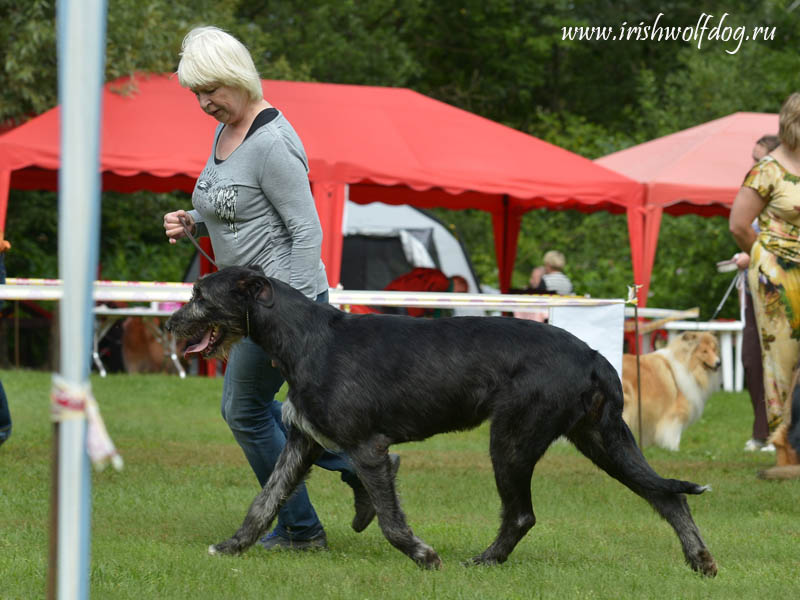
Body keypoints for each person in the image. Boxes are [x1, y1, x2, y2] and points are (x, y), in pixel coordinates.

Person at [163, 26, 387, 551]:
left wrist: (280, 313)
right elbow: (236, 203)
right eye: (196, 93)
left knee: (244, 411)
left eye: (211, 89)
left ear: (238, 76)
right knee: (279, 412)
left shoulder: (274, 142)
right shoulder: (227, 131)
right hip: (253, 308)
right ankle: (358, 465)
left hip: (285, 310)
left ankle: (302, 530)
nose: (203, 103)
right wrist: (193, 217)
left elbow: (306, 231)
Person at [729, 93, 800, 459]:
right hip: (778, 279)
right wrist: (768, 259)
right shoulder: (768, 169)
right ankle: (785, 445)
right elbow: (740, 224)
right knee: (782, 362)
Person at [733, 133, 780, 452]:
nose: (754, 165)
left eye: (759, 158)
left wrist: (757, 255)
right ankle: (762, 431)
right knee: (751, 359)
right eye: (752, 158)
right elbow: (739, 227)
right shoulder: (755, 190)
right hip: (755, 288)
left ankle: (783, 435)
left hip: (786, 288)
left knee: (785, 361)